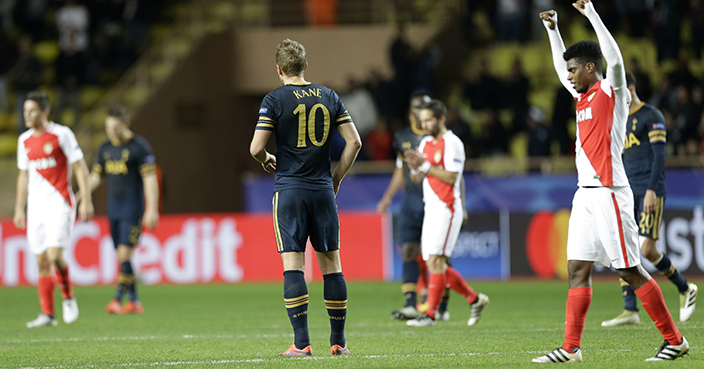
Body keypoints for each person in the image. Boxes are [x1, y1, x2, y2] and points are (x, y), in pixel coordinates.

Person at [534, 1, 689, 363]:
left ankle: (675, 340)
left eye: (575, 70)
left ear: (591, 68)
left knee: (628, 269)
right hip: (584, 196)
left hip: (609, 193)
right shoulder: (582, 97)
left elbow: (616, 60)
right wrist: (553, 31)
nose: (569, 76)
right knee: (577, 268)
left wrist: (591, 15)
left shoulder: (610, 92)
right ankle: (571, 349)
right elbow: (561, 69)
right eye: (568, 71)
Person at [249, 39, 361, 357]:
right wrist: (335, 178)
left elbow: (256, 148)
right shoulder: (329, 96)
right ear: (306, 67)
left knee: (293, 265)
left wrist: (265, 159)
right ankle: (339, 343)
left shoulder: (274, 99)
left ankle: (301, 343)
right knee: (332, 265)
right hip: (323, 190)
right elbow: (354, 142)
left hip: (290, 190)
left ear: (279, 69)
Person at [600, 71, 697, 327]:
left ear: (629, 90)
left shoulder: (651, 116)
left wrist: (652, 190)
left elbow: (659, 157)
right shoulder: (618, 120)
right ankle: (630, 309)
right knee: (623, 248)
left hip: (649, 190)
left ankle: (685, 288)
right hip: (626, 192)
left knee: (647, 250)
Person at [403, 99, 489, 328]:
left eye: (429, 120)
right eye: (422, 121)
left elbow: (452, 177)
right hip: (430, 208)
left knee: (435, 261)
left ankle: (431, 314)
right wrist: (413, 167)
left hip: (447, 207)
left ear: (442, 119)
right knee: (433, 263)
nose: (425, 125)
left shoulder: (453, 143)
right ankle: (474, 298)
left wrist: (424, 165)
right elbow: (416, 177)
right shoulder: (425, 143)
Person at [14, 91, 94, 328]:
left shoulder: (61, 134)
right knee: (41, 261)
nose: (27, 115)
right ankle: (48, 314)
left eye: (32, 111)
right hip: (36, 207)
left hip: (59, 202)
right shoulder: (24, 140)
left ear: (45, 111)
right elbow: (23, 175)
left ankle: (68, 296)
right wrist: (20, 208)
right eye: (25, 111)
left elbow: (79, 166)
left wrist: (86, 198)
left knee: (54, 255)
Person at [87, 106, 159, 315]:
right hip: (114, 210)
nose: (111, 132)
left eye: (115, 128)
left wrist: (152, 208)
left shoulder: (140, 147)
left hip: (133, 209)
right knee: (121, 256)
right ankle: (135, 301)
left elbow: (150, 179)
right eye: (108, 128)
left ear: (126, 125)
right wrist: (81, 195)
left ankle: (117, 300)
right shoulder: (105, 149)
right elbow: (95, 176)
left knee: (125, 253)